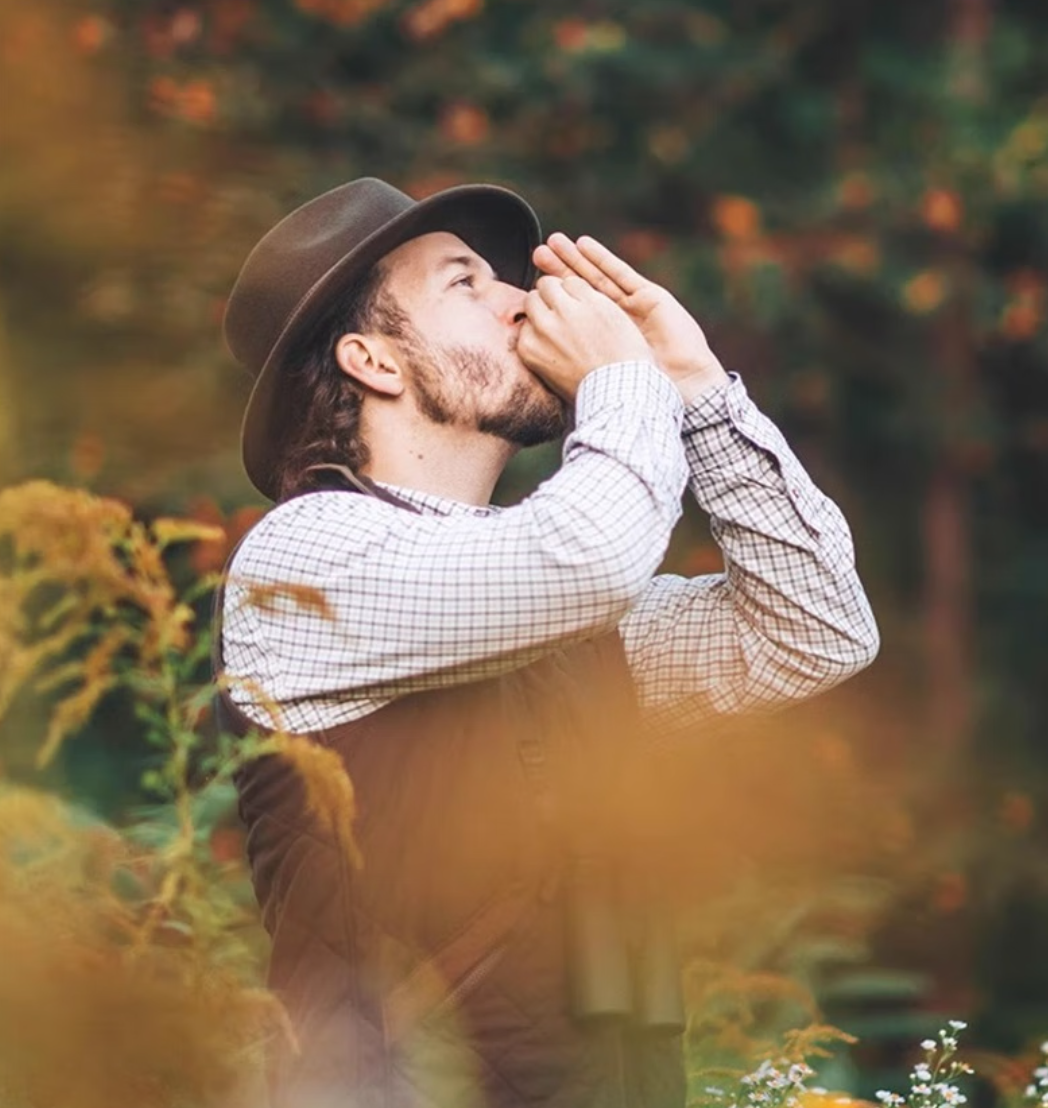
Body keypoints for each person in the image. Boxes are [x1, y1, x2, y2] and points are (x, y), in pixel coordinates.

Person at [216, 176, 879, 1108]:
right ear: (373, 360)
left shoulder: (558, 613)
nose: (523, 299)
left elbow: (818, 628)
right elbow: (590, 556)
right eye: (464, 285)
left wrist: (694, 390)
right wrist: (623, 382)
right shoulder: (305, 557)